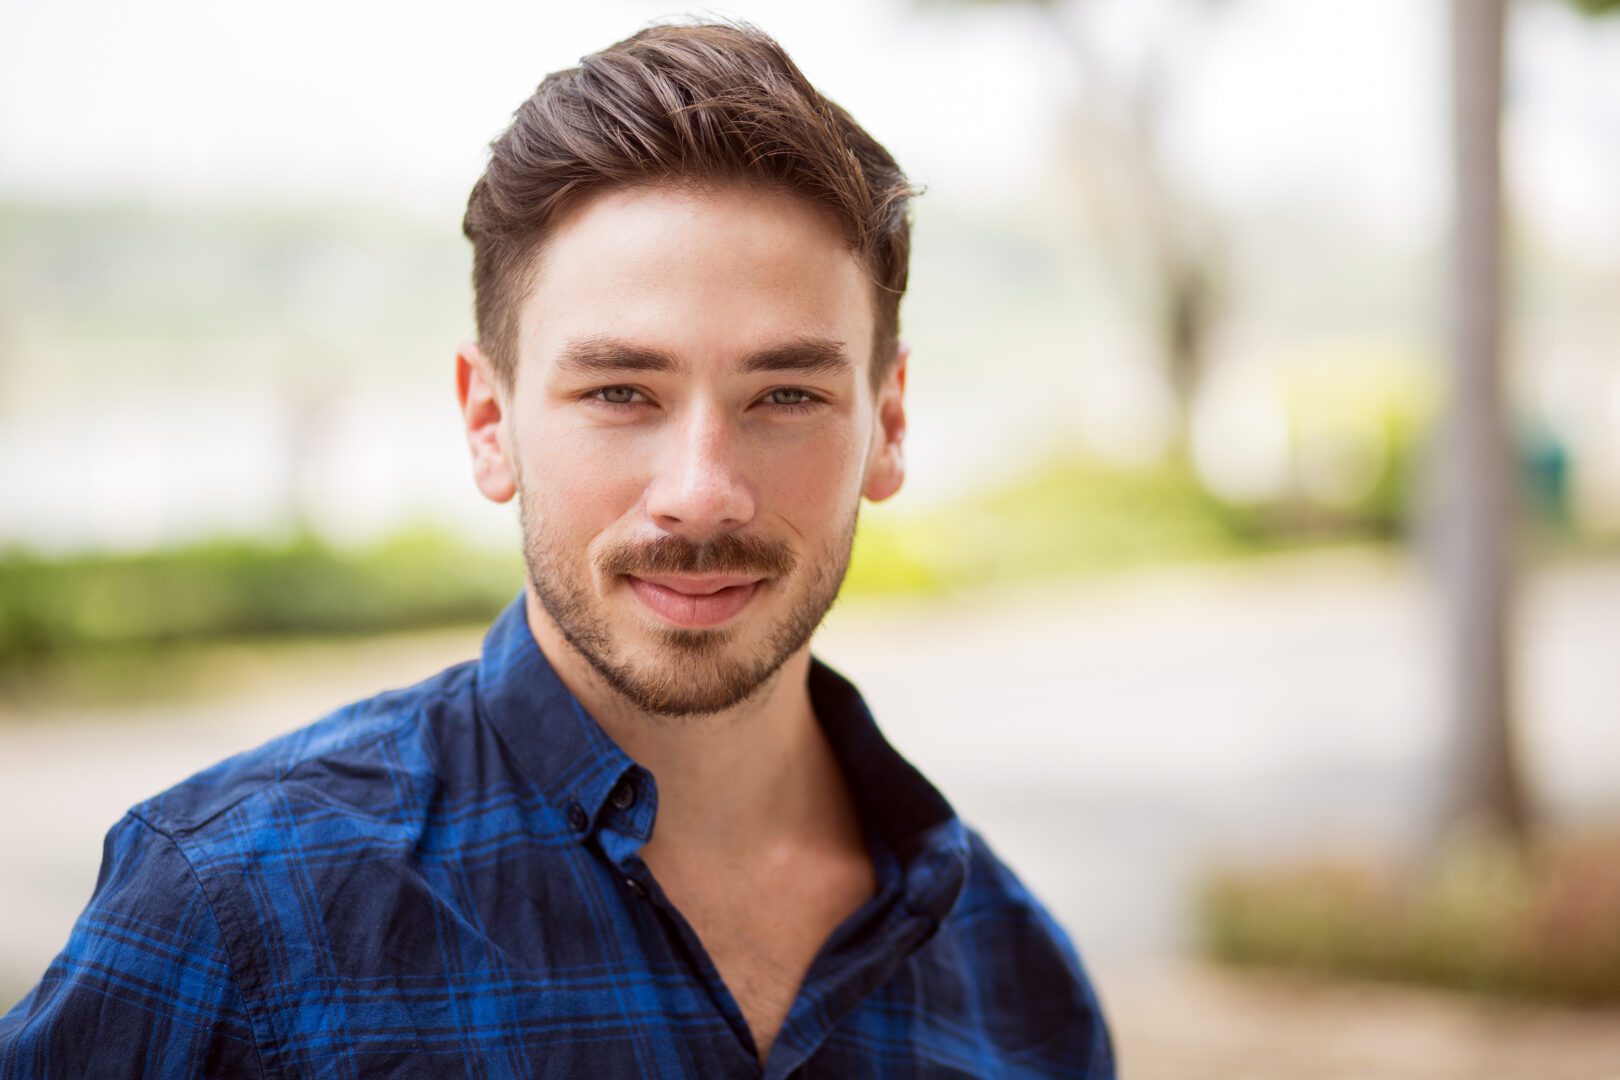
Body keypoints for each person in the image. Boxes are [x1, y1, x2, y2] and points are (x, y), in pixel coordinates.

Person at [0, 20, 1114, 1078]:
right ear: (490, 423)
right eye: (622, 391)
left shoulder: (1019, 979)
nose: (701, 494)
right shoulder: (230, 909)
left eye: (784, 394)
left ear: (892, 421)